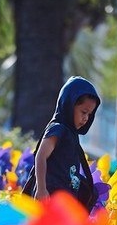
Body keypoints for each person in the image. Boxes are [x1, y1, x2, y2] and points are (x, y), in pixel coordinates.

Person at [25, 76, 101, 213]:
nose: (86, 118)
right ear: (69, 105)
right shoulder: (58, 129)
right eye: (83, 112)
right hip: (48, 198)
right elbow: (41, 157)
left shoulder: (71, 135)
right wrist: (41, 188)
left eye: (90, 114)